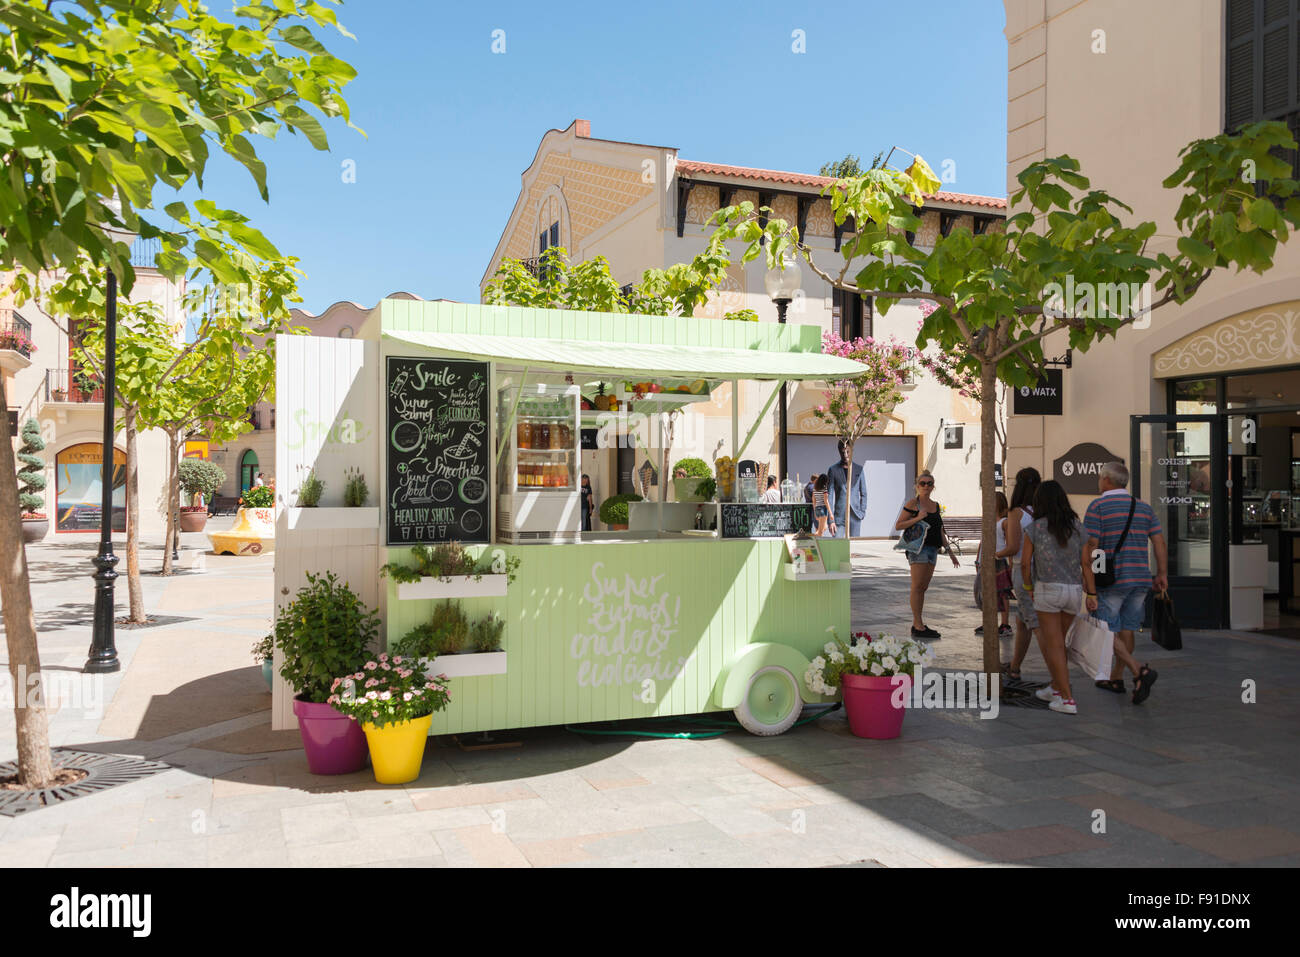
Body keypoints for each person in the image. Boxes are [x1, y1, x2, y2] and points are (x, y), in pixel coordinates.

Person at [1082, 461, 1167, 705]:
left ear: (1107, 480)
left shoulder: (1097, 506)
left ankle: (1138, 670)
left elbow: (1092, 546)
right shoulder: (1143, 507)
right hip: (1140, 578)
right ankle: (1116, 677)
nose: (1099, 482)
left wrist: (1088, 580)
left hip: (1112, 580)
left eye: (1100, 478)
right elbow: (1159, 542)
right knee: (1127, 629)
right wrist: (1161, 574)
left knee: (1107, 630)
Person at [1021, 480, 1084, 715]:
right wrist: (1092, 592)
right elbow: (1086, 561)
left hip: (1048, 588)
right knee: (1060, 642)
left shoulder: (1035, 528)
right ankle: (1056, 688)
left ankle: (1067, 699)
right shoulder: (1077, 526)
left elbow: (1026, 562)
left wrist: (1028, 585)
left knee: (1054, 644)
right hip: (1074, 590)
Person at [895, 470, 959, 639]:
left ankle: (919, 623)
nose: (926, 486)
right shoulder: (913, 504)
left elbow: (940, 530)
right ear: (917, 486)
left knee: (923, 587)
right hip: (918, 549)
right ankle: (917, 624)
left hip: (933, 549)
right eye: (922, 483)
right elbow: (899, 525)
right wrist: (918, 517)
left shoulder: (936, 505)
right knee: (917, 586)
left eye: (929, 483)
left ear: (933, 486)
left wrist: (950, 552)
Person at [997, 467, 1041, 682]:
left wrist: (994, 554)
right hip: (1044, 570)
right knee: (1023, 621)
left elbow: (1013, 547)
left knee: (1033, 622)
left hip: (1024, 569)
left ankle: (1058, 673)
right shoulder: (1044, 510)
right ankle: (1015, 667)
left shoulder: (1017, 513)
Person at [975, 491, 1013, 639]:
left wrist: (1009, 564)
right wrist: (979, 559)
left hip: (999, 559)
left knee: (1002, 593)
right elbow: (982, 541)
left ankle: (1005, 623)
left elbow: (1009, 543)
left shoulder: (1004, 521)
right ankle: (988, 622)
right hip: (986, 560)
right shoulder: (988, 520)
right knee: (986, 592)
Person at [826, 440, 867, 538]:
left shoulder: (859, 469)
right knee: (837, 546)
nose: (845, 455)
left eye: (847, 451)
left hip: (855, 516)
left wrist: (862, 512)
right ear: (839, 451)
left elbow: (864, 493)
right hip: (839, 518)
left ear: (852, 450)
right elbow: (829, 497)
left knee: (854, 548)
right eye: (842, 452)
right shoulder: (833, 470)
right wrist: (831, 520)